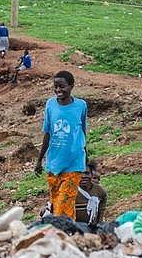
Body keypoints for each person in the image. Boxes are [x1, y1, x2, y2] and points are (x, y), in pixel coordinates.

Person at [36, 70, 88, 220]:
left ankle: (64, 234)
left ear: (71, 86)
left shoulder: (81, 106)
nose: (58, 90)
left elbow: (81, 132)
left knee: (64, 203)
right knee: (56, 202)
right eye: (55, 86)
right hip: (54, 163)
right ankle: (68, 231)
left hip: (74, 162)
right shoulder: (50, 104)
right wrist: (40, 160)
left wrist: (85, 154)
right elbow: (47, 133)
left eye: (62, 86)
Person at [74, 160, 108, 226]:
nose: (83, 176)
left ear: (92, 175)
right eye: (80, 173)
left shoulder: (99, 190)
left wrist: (99, 224)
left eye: (86, 173)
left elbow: (102, 206)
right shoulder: (71, 191)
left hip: (92, 227)